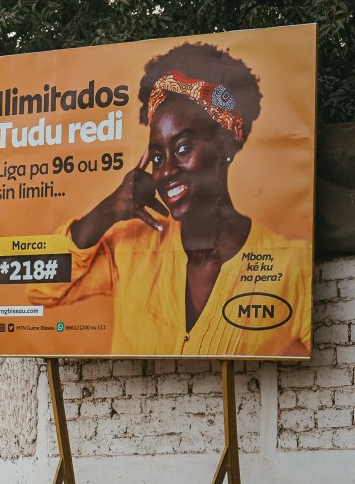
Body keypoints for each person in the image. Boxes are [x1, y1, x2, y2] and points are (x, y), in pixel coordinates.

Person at [32, 41, 310, 357]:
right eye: (158, 157)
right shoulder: (134, 249)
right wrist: (108, 211)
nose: (166, 173)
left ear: (227, 143)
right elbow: (39, 289)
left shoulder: (291, 266)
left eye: (182, 149)